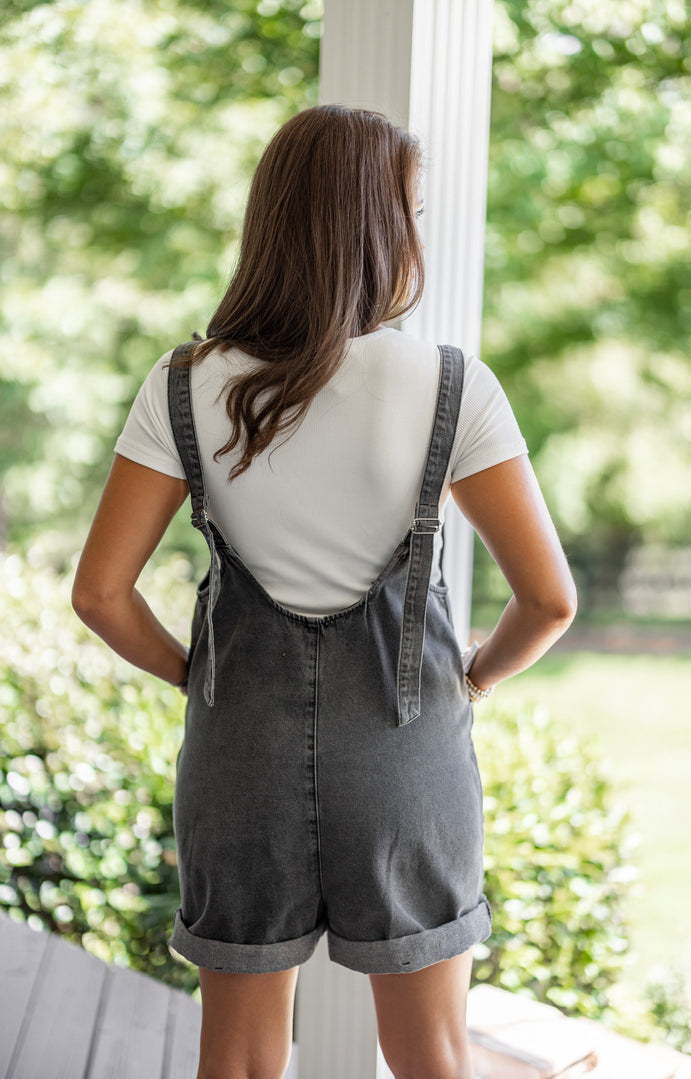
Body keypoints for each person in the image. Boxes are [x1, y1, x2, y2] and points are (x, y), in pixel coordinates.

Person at [73, 105, 576, 1079]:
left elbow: (100, 594)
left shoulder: (184, 384)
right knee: (431, 1054)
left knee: (240, 1057)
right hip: (406, 744)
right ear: (379, 228)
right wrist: (471, 680)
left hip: (241, 746)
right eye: (413, 211)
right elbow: (549, 601)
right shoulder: (452, 386)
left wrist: (196, 675)